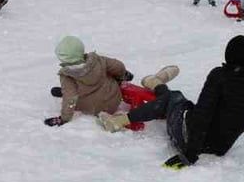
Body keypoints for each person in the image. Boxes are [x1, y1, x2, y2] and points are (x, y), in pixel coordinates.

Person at [98, 35, 244, 170]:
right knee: (180, 102)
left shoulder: (219, 75)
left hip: (189, 138)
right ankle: (156, 83)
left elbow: (203, 116)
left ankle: (124, 116)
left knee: (173, 98)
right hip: (219, 147)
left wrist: (189, 155)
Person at [44, 35, 179, 126]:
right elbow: (117, 66)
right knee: (106, 77)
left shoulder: (67, 75)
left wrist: (64, 119)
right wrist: (122, 75)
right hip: (113, 99)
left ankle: (64, 92)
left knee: (70, 91)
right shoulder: (98, 60)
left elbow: (71, 98)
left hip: (90, 107)